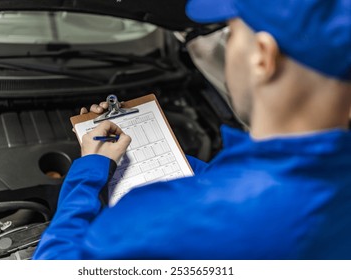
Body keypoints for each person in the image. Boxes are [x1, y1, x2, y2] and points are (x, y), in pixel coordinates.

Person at [33, 0, 351, 259]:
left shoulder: (169, 220)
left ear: (262, 57)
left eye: (231, 33)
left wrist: (89, 171)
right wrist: (163, 155)